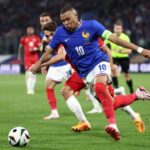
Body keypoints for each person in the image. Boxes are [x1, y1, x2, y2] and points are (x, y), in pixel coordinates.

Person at [30, 4, 150, 141]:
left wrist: (141, 50)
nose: (65, 23)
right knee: (112, 103)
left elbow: (115, 39)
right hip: (85, 74)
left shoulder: (92, 26)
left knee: (99, 87)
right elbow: (49, 52)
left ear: (76, 16)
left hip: (99, 63)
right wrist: (37, 65)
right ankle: (138, 94)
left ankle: (112, 126)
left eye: (68, 19)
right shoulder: (60, 33)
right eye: (63, 21)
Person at [39, 12, 74, 120]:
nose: (44, 22)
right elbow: (45, 51)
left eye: (46, 20)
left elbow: (62, 53)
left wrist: (41, 64)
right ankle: (54, 112)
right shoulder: (44, 36)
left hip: (67, 63)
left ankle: (99, 104)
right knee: (49, 86)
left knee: (87, 85)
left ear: (51, 20)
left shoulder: (61, 31)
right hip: (55, 65)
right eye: (42, 21)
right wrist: (43, 65)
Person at [105, 21, 133, 93]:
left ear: (122, 29)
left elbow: (130, 51)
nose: (118, 30)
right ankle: (116, 90)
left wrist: (120, 51)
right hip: (114, 58)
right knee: (113, 71)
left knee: (126, 75)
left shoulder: (125, 37)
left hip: (124, 58)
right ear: (114, 29)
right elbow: (103, 46)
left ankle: (131, 90)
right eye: (116, 28)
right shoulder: (110, 36)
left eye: (119, 28)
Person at [18, 26, 41, 94]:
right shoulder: (24, 39)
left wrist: (35, 49)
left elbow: (41, 47)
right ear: (27, 31)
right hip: (27, 58)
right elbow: (20, 47)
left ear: (33, 31)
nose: (30, 31)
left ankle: (32, 88)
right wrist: (19, 55)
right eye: (29, 30)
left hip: (35, 58)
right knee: (28, 72)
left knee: (34, 73)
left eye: (31, 30)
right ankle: (29, 89)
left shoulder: (36, 38)